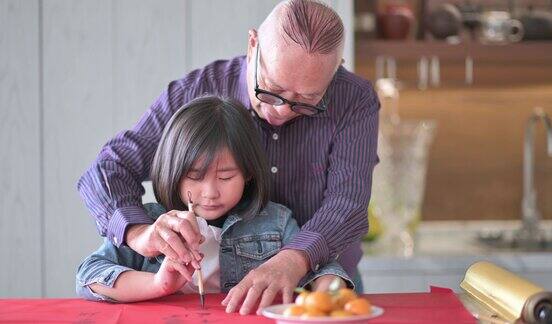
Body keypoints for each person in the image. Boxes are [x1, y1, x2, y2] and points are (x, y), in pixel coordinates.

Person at [77, 0, 379, 315]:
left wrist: (296, 258)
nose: (282, 110)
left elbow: (347, 203)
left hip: (317, 287)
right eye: (272, 90)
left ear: (335, 69)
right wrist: (140, 234)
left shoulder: (354, 100)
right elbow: (109, 168)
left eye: (307, 101)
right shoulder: (197, 93)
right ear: (253, 45)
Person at [76, 96, 351, 303]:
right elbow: (89, 276)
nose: (210, 192)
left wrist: (326, 292)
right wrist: (158, 284)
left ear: (249, 173)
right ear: (173, 172)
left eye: (226, 176)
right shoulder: (153, 224)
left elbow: (324, 270)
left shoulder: (275, 222)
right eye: (195, 176)